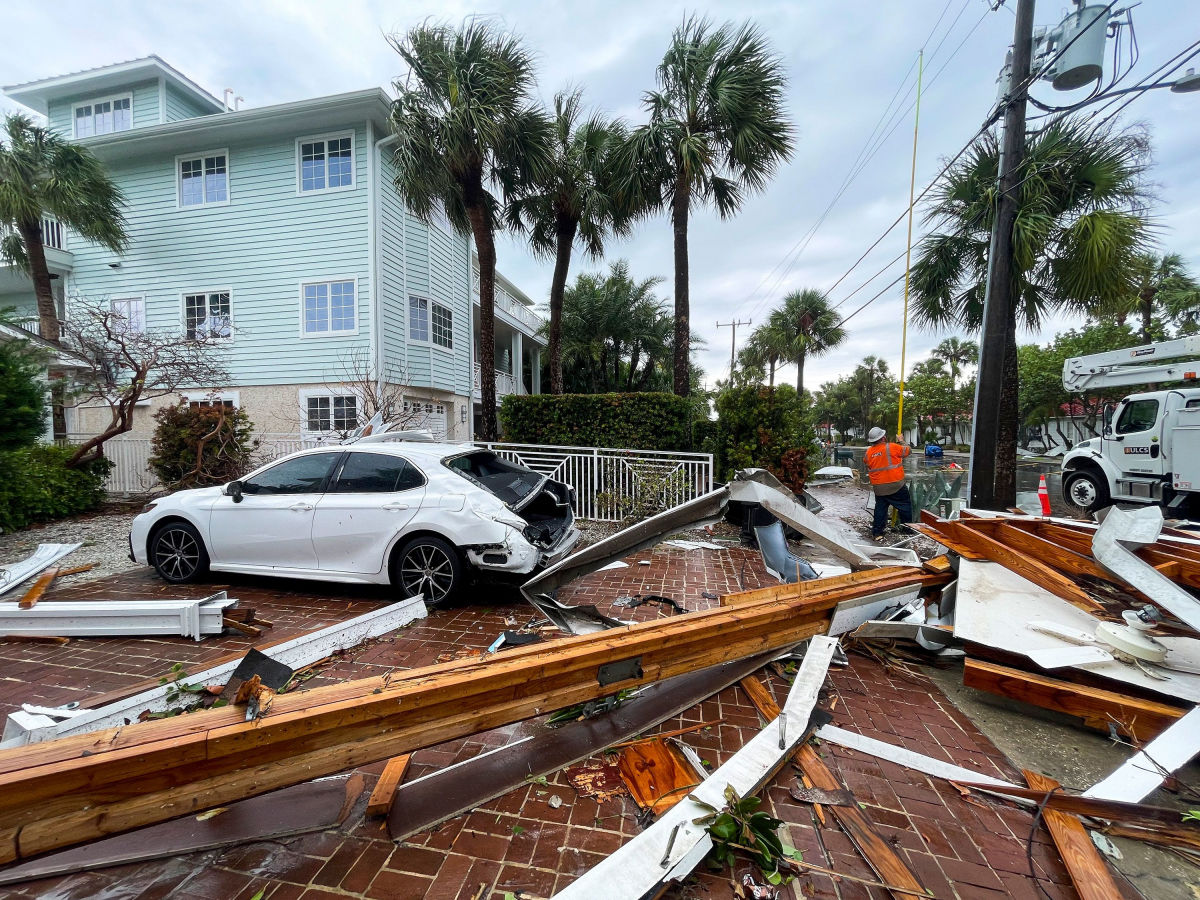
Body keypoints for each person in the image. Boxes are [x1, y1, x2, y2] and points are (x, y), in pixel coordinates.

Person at [863, 426, 912, 541]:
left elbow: (866, 461)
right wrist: (901, 440)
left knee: (880, 509)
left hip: (879, 488)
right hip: (896, 485)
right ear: (883, 437)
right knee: (905, 506)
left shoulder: (868, 452)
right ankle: (907, 530)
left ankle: (877, 533)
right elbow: (908, 451)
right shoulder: (892, 447)